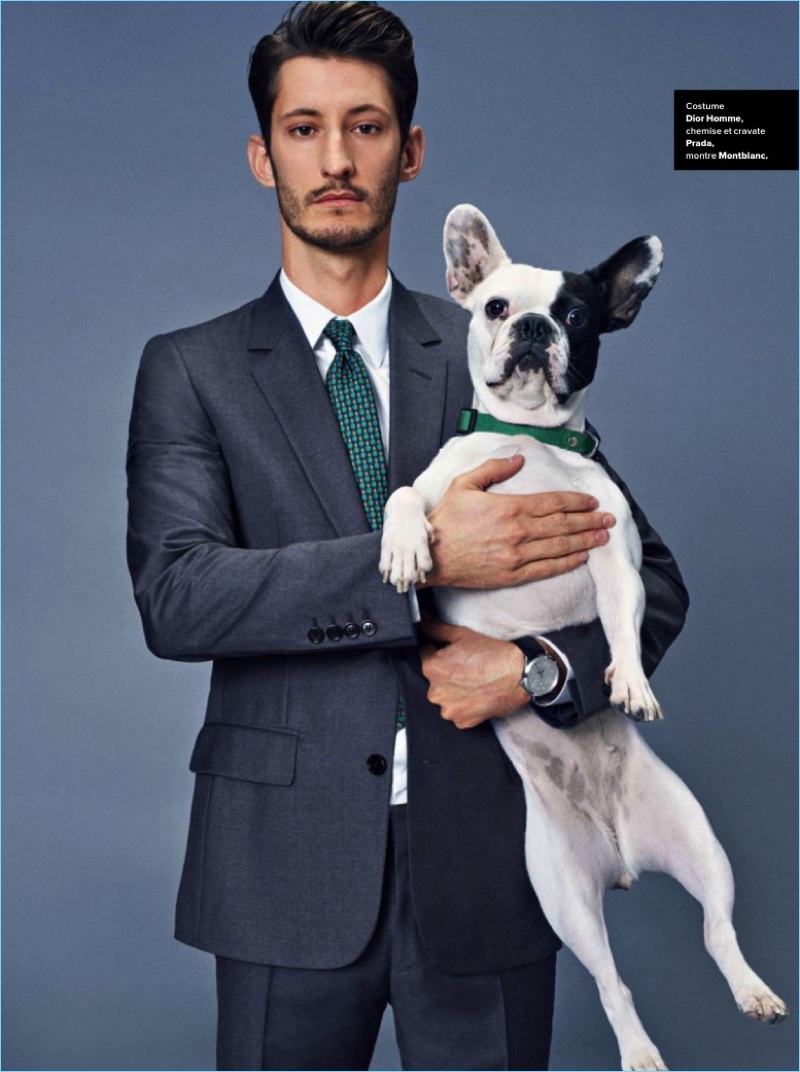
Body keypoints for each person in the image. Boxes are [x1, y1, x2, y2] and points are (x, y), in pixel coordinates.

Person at [126, 3, 688, 1069]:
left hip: (493, 859)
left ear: (410, 150)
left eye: (366, 126)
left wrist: (530, 667)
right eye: (302, 128)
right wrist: (430, 561)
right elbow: (179, 596)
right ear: (262, 156)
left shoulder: (500, 341)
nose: (334, 157)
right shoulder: (188, 369)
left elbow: (648, 577)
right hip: (278, 875)